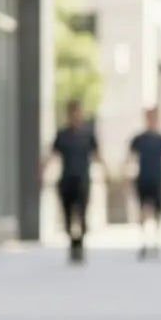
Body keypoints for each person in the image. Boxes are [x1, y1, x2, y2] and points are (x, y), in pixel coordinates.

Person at [42, 100, 108, 264]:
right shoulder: (62, 135)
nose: (75, 116)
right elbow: (52, 154)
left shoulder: (87, 135)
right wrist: (42, 171)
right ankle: (72, 244)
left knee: (82, 214)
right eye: (72, 113)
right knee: (68, 216)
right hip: (66, 180)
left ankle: (80, 245)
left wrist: (106, 173)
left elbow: (97, 155)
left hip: (83, 180)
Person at [127, 108, 161, 260]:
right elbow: (131, 159)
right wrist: (128, 177)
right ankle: (144, 242)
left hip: (157, 179)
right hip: (143, 178)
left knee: (157, 212)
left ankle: (156, 241)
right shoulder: (138, 139)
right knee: (143, 211)